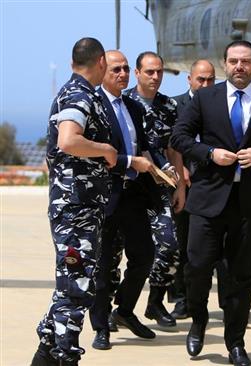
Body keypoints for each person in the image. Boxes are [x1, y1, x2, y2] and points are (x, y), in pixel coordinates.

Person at [171, 40, 251, 365]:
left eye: (245, 61)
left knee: (241, 275)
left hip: (248, 204)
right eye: (233, 61)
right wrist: (209, 153)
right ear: (225, 64)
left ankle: (235, 342)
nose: (239, 67)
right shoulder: (205, 98)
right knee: (198, 267)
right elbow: (179, 136)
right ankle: (199, 321)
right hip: (207, 200)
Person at [32, 37, 117, 366]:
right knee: (74, 290)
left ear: (72, 63)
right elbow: (68, 140)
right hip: (76, 210)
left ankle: (44, 356)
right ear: (101, 64)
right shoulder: (80, 94)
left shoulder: (74, 92)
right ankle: (65, 357)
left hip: (80, 208)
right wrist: (105, 150)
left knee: (75, 287)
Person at [89, 50, 170, 351]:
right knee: (103, 264)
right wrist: (129, 161)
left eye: (125, 69)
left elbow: (145, 147)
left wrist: (163, 172)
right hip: (105, 196)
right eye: (116, 69)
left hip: (134, 195)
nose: (123, 74)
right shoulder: (94, 106)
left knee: (145, 255)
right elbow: (95, 152)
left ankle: (123, 310)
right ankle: (100, 327)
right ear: (102, 71)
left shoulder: (133, 107)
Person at [126, 51, 183, 327]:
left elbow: (174, 147)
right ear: (137, 73)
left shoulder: (169, 105)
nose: (155, 77)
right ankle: (115, 310)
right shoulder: (123, 102)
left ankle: (156, 302)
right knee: (115, 252)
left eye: (159, 71)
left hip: (159, 186)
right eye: (149, 72)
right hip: (128, 186)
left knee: (170, 244)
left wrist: (180, 185)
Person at [169, 59, 217, 319]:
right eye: (201, 79)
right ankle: (181, 299)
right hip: (183, 184)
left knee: (205, 247)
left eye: (211, 79)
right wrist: (180, 170)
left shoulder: (221, 104)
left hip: (211, 186)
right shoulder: (174, 105)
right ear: (189, 79)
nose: (206, 84)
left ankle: (198, 298)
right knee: (183, 244)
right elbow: (168, 142)